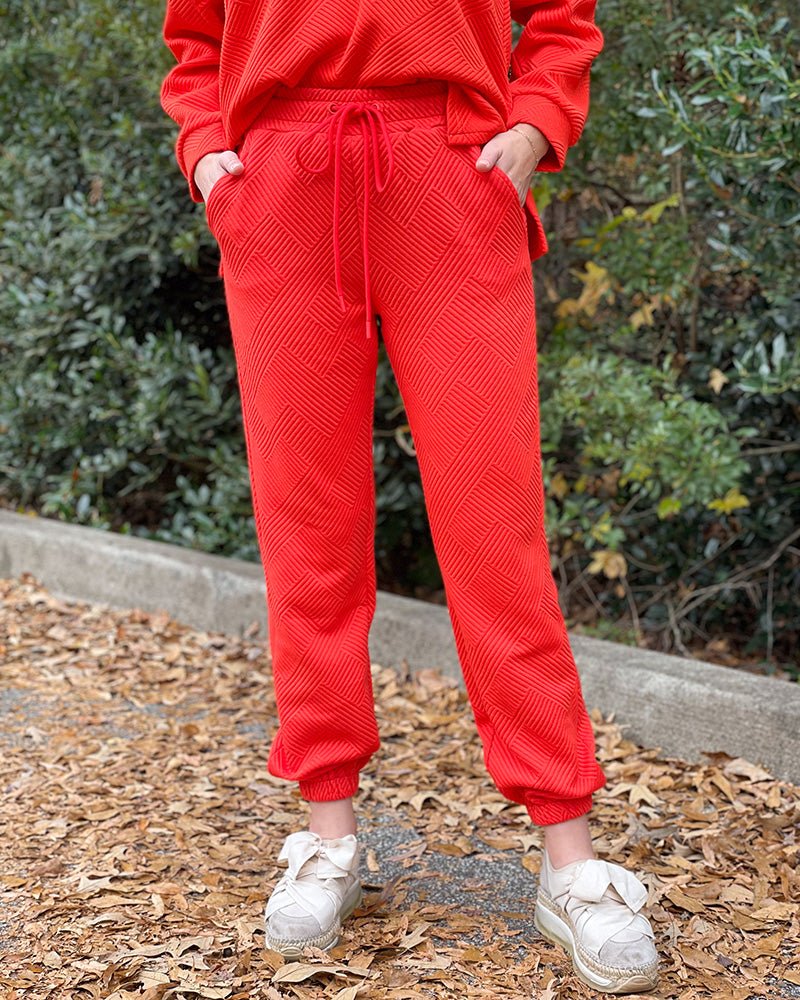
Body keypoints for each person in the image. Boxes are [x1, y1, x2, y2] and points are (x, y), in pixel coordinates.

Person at [160, 0, 658, 992]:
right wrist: (208, 152)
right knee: (305, 528)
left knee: (494, 528)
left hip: (451, 171)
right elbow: (195, 41)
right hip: (282, 182)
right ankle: (328, 837)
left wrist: (534, 124)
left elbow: (561, 18)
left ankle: (569, 859)